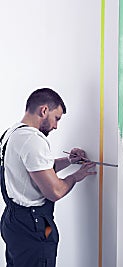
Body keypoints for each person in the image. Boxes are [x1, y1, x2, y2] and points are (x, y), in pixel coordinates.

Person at [0, 88, 97, 267]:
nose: (56, 126)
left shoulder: (11, 133)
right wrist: (76, 176)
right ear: (44, 110)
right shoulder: (32, 140)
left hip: (13, 222)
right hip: (33, 226)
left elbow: (36, 169)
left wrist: (69, 160)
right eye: (56, 118)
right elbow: (55, 191)